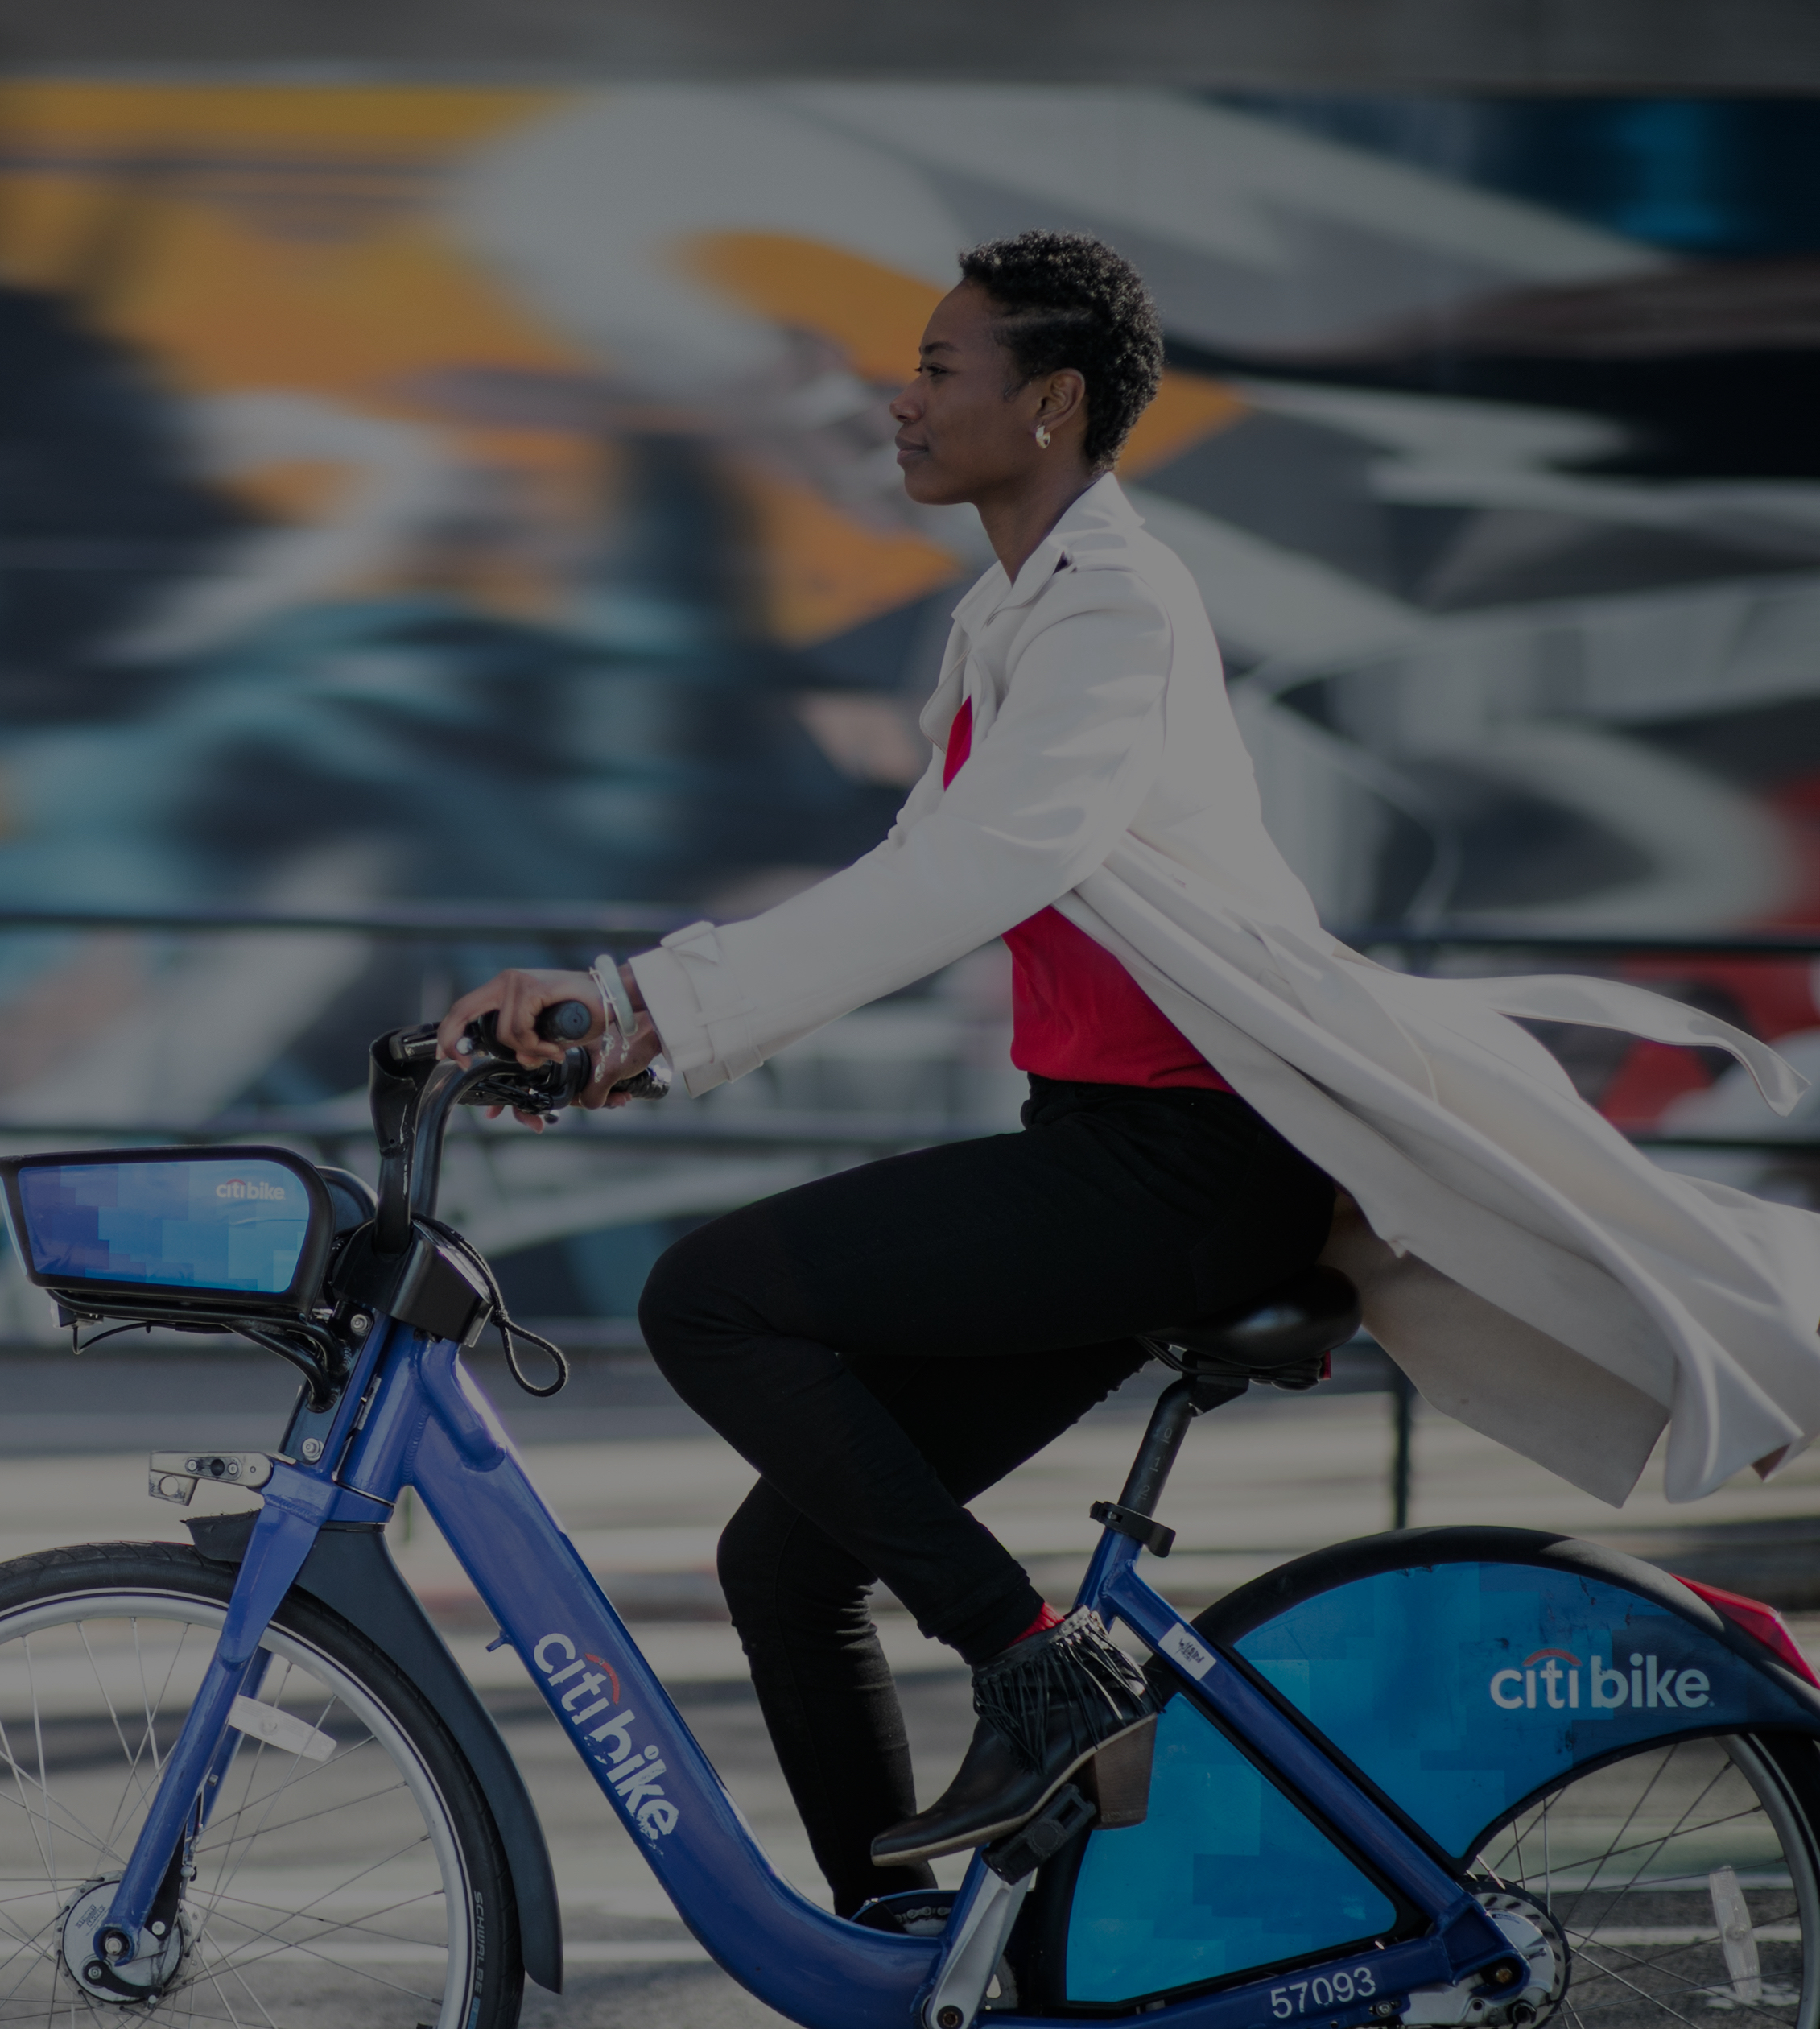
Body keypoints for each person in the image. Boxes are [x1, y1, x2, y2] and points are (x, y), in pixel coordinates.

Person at [439, 227, 1820, 1920]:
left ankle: (1041, 1672)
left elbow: (975, 869)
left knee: (708, 1301)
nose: (903, 397)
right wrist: (617, 1040)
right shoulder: (1011, 615)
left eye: (942, 368)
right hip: (1115, 1162)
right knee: (787, 1556)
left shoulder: (1121, 613)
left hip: (1183, 1173)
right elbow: (906, 876)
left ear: (1053, 404)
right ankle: (911, 1957)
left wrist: (641, 999)